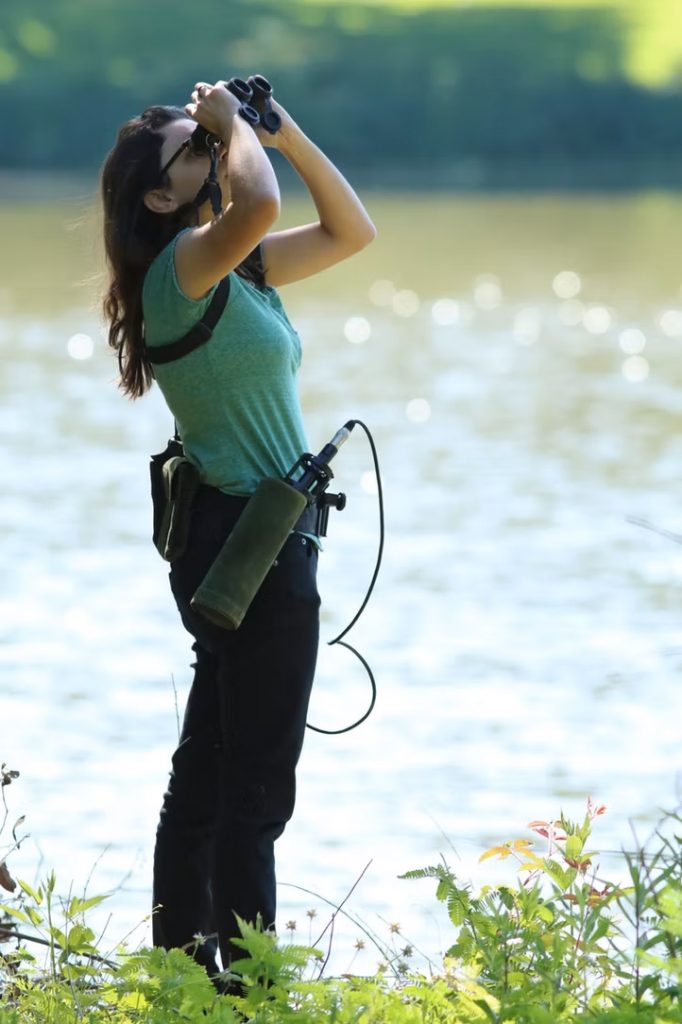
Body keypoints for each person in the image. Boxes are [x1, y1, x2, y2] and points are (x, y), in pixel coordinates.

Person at [100, 78, 376, 985]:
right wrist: (235, 139)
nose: (213, 153)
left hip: (245, 544)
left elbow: (350, 232)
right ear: (160, 197)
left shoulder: (234, 268)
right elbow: (255, 202)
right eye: (194, 150)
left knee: (210, 772)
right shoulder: (177, 270)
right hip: (247, 551)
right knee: (256, 790)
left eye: (210, 142)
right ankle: (252, 992)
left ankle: (183, 973)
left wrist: (278, 130)